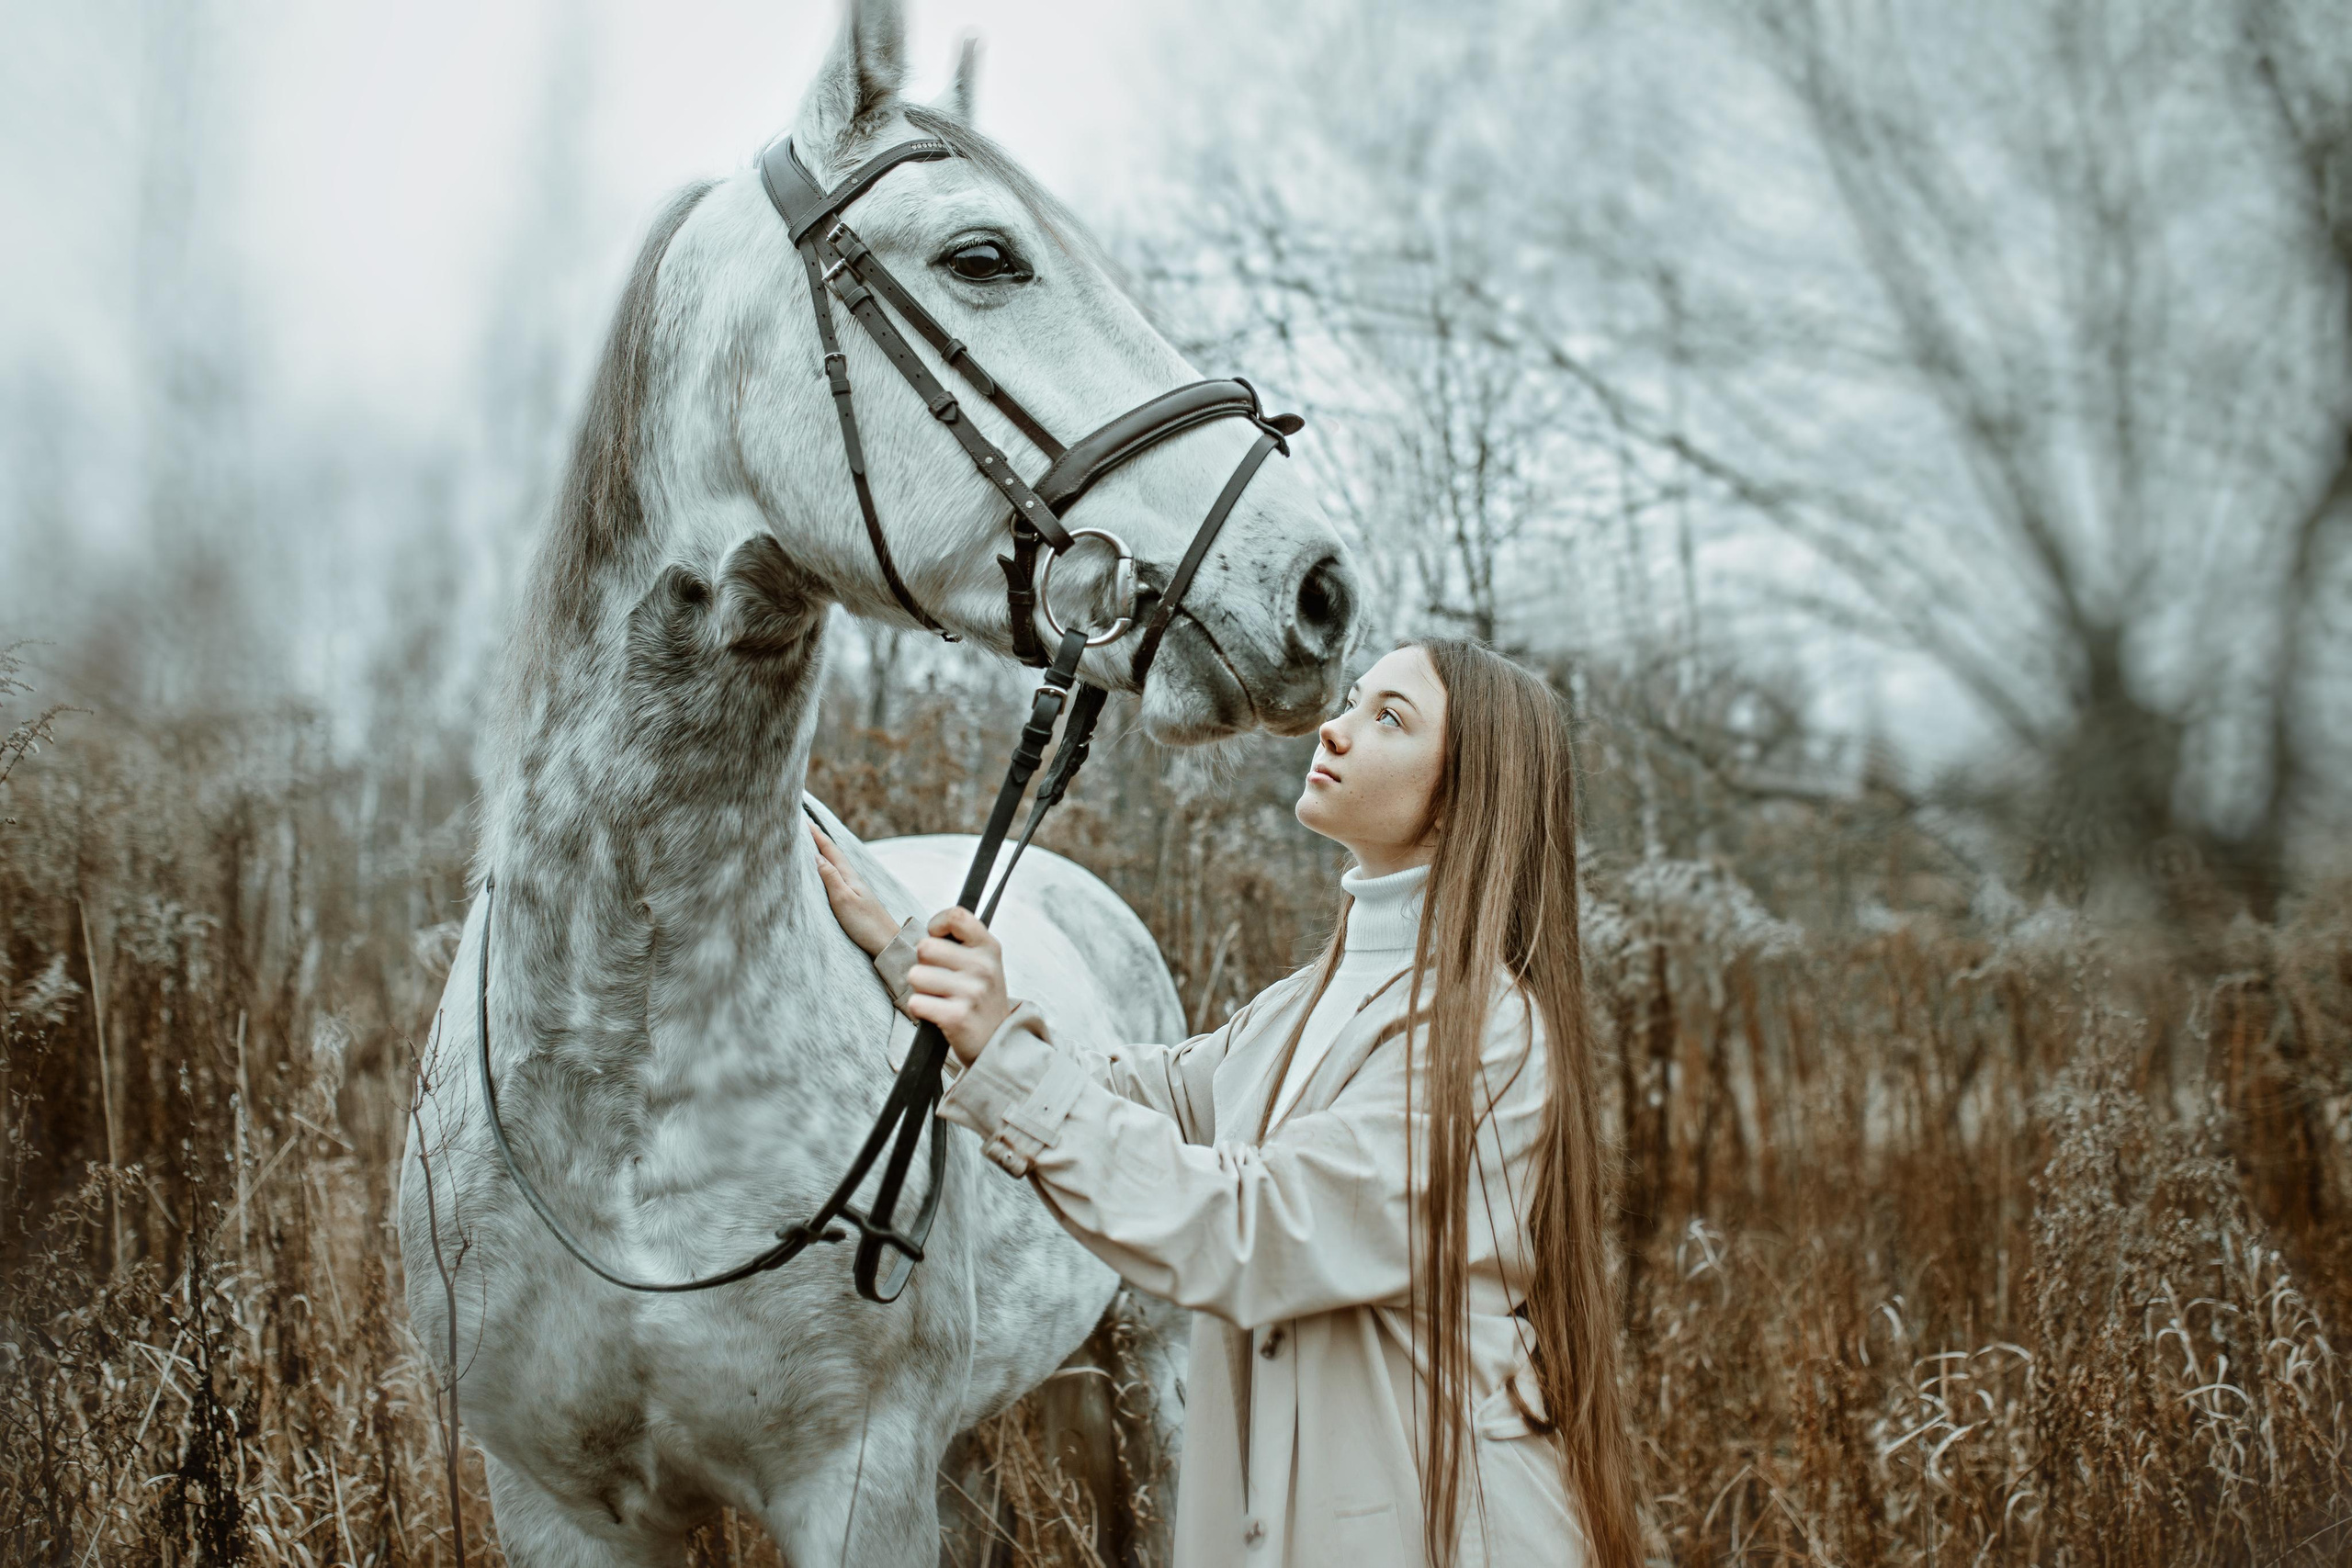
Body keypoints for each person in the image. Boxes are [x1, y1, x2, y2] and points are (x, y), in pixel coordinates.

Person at [810, 638, 1640, 1568]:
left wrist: (1004, 1056)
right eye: (1355, 700)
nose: (1333, 726)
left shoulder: (1481, 1033)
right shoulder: (1309, 1001)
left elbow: (1258, 1227)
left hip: (1443, 1531)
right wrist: (910, 959)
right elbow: (1133, 1095)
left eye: (1387, 718)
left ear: (1462, 803)